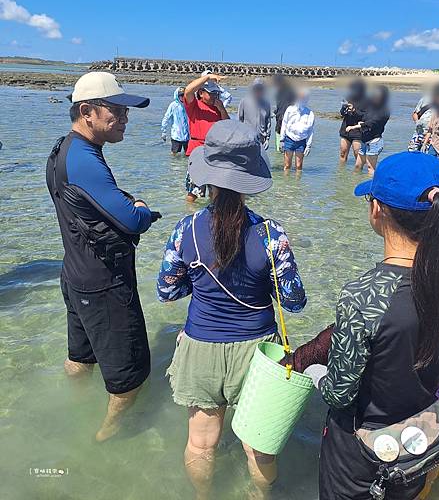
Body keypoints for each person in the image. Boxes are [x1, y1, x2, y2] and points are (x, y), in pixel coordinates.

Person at [157, 120, 307, 500]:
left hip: (201, 346)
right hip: (258, 353)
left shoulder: (184, 229)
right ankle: (262, 497)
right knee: (258, 445)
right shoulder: (271, 234)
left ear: (207, 174)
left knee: (201, 443)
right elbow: (293, 300)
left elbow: (166, 290)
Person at [302, 152, 439, 499]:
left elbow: (340, 393)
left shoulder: (363, 296)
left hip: (361, 459)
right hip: (419, 444)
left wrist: (316, 374)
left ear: (377, 210)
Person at [46, 72, 162, 443]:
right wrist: (142, 206)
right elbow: (132, 221)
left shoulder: (63, 149)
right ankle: (104, 439)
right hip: (104, 287)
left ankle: (70, 410)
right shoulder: (83, 159)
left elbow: (86, 204)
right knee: (130, 379)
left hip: (75, 276)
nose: (125, 118)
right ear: (87, 112)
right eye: (116, 111)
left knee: (79, 360)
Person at [183, 73, 229, 202]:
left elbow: (227, 126)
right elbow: (188, 90)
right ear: (202, 93)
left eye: (216, 94)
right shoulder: (194, 105)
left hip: (215, 153)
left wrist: (222, 109)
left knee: (215, 191)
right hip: (198, 151)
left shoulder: (217, 108)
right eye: (211, 93)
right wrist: (208, 77)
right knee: (193, 192)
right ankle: (190, 215)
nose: (215, 96)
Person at [352, 85, 390, 176]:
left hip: (374, 141)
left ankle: (370, 189)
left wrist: (356, 126)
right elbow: (362, 115)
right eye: (374, 95)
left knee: (370, 168)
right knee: (357, 166)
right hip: (364, 140)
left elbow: (374, 122)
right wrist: (353, 111)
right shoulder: (370, 107)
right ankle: (353, 185)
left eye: (378, 95)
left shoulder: (385, 111)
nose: (375, 97)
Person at [280, 88, 314, 171]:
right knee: (287, 165)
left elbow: (311, 131)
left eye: (303, 97)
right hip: (289, 139)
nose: (301, 99)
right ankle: (286, 183)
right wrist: (281, 140)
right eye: (300, 97)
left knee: (299, 167)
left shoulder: (310, 113)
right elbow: (284, 124)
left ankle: (297, 184)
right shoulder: (290, 110)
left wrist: (308, 146)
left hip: (301, 141)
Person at [407, 83, 439, 152]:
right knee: (411, 152)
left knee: (426, 155)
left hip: (432, 135)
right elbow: (415, 114)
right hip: (418, 132)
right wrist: (417, 122)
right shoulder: (425, 99)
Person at [238, 78, 271, 149]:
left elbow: (268, 122)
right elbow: (240, 120)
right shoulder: (244, 102)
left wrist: (267, 138)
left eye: (260, 89)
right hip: (247, 138)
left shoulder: (266, 104)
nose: (258, 91)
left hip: (261, 139)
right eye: (256, 88)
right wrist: (240, 136)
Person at [339, 79, 366, 164]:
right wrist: (344, 108)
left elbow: (364, 116)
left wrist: (354, 110)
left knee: (357, 155)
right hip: (345, 130)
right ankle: (341, 174)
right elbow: (342, 114)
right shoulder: (349, 98)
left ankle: (358, 176)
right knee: (342, 153)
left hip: (358, 132)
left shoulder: (366, 101)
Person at [161, 86, 190, 155]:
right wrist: (163, 132)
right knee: (174, 154)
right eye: (181, 95)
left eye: (184, 95)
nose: (183, 97)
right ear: (177, 95)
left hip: (187, 136)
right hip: (176, 136)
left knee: (188, 154)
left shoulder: (188, 104)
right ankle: (174, 165)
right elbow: (166, 118)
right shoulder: (173, 105)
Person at [273, 74, 296, 152]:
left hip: (284, 120)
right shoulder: (289, 91)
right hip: (284, 119)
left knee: (280, 147)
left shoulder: (282, 92)